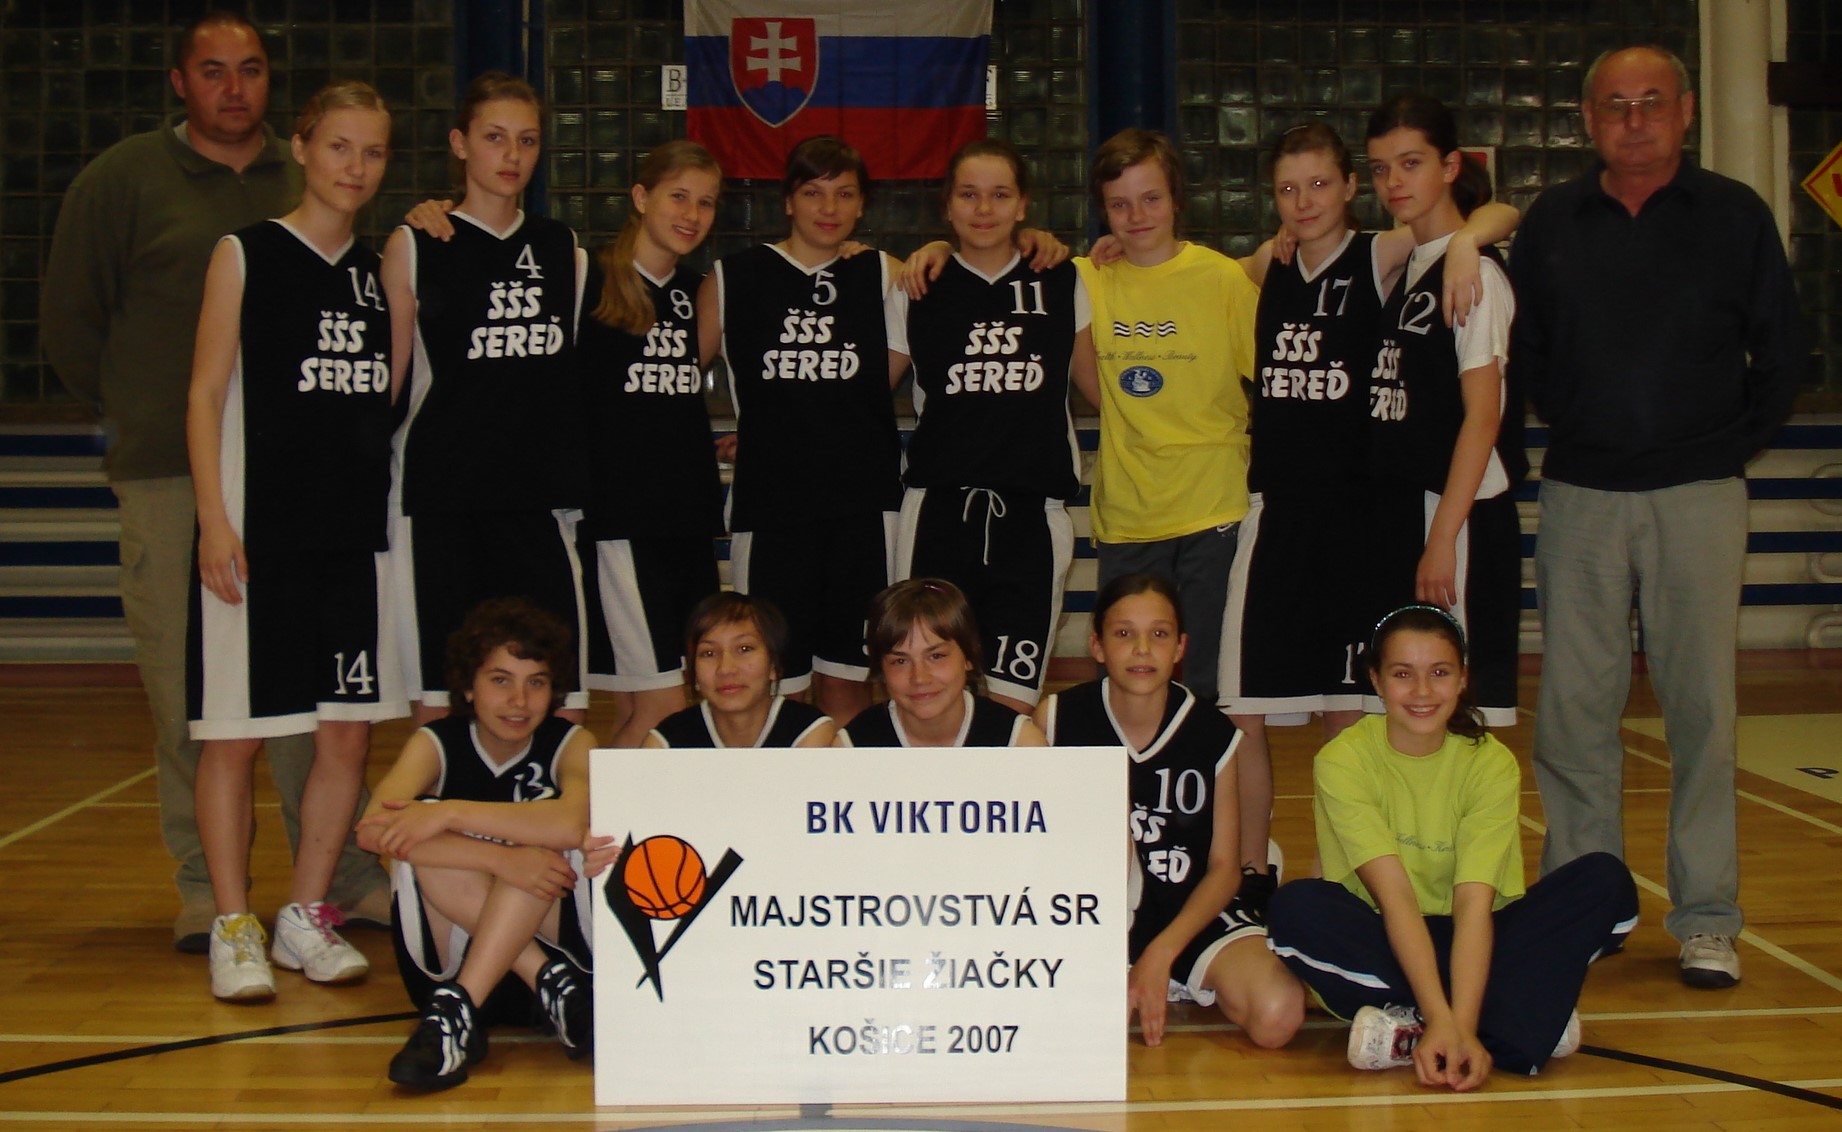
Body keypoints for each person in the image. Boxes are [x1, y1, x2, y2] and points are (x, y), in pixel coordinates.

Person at [38, 8, 389, 953]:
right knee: (190, 700)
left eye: (252, 69)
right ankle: (207, 892)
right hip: (172, 474)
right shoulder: (123, 179)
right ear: (179, 82)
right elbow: (69, 319)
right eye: (213, 70)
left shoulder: (314, 183)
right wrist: (135, 410)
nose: (235, 88)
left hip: (295, 491)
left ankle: (331, 885)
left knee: (313, 708)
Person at [1511, 46, 1807, 988]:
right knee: (1574, 715)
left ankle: (1708, 916)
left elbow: (1783, 350)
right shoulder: (1552, 221)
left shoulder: (1735, 215)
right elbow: (1529, 353)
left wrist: (1724, 448)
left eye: (1651, 102)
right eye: (1615, 105)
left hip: (1700, 498)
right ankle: (1585, 907)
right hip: (1583, 496)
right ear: (1587, 120)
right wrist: (1583, 427)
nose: (1634, 120)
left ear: (1686, 112)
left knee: (1703, 714)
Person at [1219, 122, 1519, 910]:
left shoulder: (1383, 254)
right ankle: (1251, 872)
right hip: (1278, 510)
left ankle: (1339, 879)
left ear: (1351, 187)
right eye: (1287, 189)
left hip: (1359, 514)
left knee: (1347, 712)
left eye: (1320, 184)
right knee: (1241, 707)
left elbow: (1490, 215)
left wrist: (1469, 242)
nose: (1304, 201)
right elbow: (1188, 269)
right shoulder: (1269, 262)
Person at [183, 81, 405, 1001]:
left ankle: (304, 915)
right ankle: (233, 923)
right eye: (340, 146)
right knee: (235, 737)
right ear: (303, 148)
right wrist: (213, 518)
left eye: (374, 152)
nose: (356, 167)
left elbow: (391, 394)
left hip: (351, 542)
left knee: (345, 736)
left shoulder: (382, 273)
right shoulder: (246, 253)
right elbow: (204, 393)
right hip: (257, 539)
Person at [1265, 606, 1637, 1089]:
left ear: (1462, 679)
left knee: (1606, 882)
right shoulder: (1344, 759)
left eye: (1439, 673)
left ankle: (1415, 1026)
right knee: (1296, 908)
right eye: (1403, 674)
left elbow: (1473, 905)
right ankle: (1517, 1013)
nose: (1422, 691)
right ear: (1376, 680)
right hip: (1384, 931)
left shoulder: (1490, 764)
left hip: (1476, 931)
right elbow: (1396, 899)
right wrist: (1448, 1019)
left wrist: (1457, 1023)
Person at [383, 71, 589, 723]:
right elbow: (387, 386)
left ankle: (544, 799)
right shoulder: (416, 244)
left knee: (559, 699)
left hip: (533, 503)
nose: (512, 155)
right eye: (495, 137)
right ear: (460, 144)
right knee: (444, 701)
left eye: (527, 140)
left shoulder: (563, 250)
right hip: (443, 502)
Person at [1034, 573, 1303, 1049]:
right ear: (1097, 646)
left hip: (1191, 906)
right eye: (1124, 633)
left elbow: (1225, 869)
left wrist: (1161, 952)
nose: (1142, 649)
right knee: (1079, 1027)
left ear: (1179, 647)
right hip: (1098, 911)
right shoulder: (1056, 720)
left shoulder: (1213, 733)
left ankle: (1178, 969)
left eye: (1158, 634)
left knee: (1277, 1015)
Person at [885, 139, 1100, 713]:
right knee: (927, 693)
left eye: (1000, 195)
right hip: (937, 514)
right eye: (969, 195)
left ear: (1023, 204)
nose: (984, 209)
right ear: (947, 206)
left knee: (1011, 699)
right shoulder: (917, 285)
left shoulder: (1062, 279)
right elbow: (862, 394)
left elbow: (1100, 389)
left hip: (1031, 518)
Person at [697, 136, 904, 725]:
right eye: (813, 193)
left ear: (862, 205)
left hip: (862, 511)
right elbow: (672, 382)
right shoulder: (732, 279)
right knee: (776, 687)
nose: (828, 208)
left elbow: (875, 384)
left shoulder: (884, 274)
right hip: (772, 511)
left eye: (845, 194)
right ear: (788, 200)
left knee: (847, 684)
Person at [357, 597, 596, 1091]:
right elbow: (372, 830)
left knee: (538, 845)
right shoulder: (436, 743)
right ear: (469, 686)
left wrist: (449, 813)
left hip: (555, 945)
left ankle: (454, 1014)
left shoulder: (572, 742)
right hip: (511, 974)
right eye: (501, 680)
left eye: (537, 683)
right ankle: (543, 977)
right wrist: (501, 858)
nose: (519, 701)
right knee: (435, 845)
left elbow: (572, 824)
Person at [1361, 95, 1523, 729]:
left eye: (1411, 163)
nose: (1393, 182)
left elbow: (1483, 418)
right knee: (1410, 712)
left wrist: (1442, 540)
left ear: (1451, 166)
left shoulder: (1475, 275)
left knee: (1458, 713)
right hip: (1407, 508)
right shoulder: (1413, 263)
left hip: (1456, 515)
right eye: (1380, 168)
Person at [576, 140, 726, 747]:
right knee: (665, 708)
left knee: (649, 704)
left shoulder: (699, 291)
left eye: (706, 203)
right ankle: (588, 811)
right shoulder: (587, 280)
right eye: (678, 197)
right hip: (621, 525)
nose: (692, 214)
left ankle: (600, 811)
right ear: (641, 197)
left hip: (686, 521)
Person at [835, 578, 1047, 748]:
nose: (919, 678)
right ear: (881, 668)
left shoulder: (1019, 743)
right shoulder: (852, 747)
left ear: (969, 657)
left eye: (936, 656)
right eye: (900, 661)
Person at [645, 592, 836, 749]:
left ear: (774, 665)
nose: (726, 669)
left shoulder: (809, 733)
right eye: (708, 653)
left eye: (745, 649)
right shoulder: (666, 743)